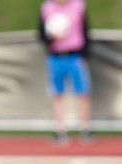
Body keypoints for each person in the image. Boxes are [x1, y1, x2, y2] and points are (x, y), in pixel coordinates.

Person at [39, 0, 92, 145]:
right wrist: (52, 35)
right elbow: (41, 34)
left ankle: (85, 130)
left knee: (82, 93)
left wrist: (85, 56)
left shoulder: (79, 5)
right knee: (57, 94)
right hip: (55, 57)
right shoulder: (47, 7)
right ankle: (60, 131)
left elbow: (86, 31)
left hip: (75, 56)